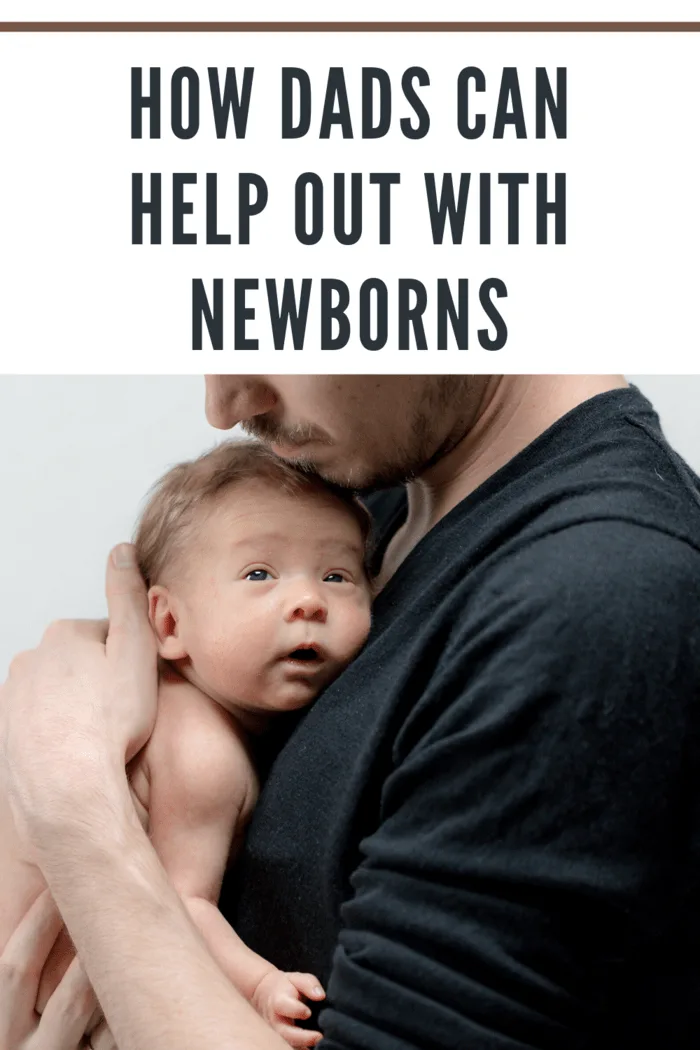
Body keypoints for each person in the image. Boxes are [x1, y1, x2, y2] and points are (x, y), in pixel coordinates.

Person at [1, 374, 699, 1050]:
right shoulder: (379, 502)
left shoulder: (591, 603)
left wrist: (74, 809)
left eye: (275, 323)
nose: (225, 404)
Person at [0, 438, 373, 1049]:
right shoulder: (204, 750)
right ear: (169, 623)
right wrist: (256, 987)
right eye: (260, 574)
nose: (309, 600)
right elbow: (179, 905)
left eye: (337, 575)